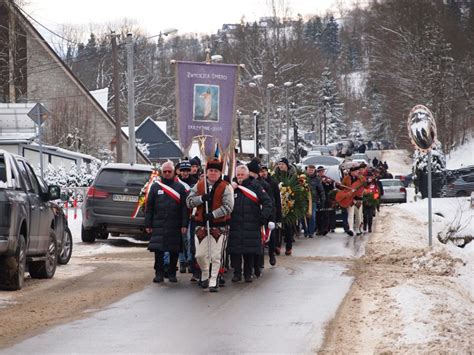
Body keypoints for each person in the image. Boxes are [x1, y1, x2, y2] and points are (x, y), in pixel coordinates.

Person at [186, 158, 234, 292]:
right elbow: (188, 201)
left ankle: (214, 280)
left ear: (220, 173)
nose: (213, 173)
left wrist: (213, 214)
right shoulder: (200, 185)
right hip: (201, 225)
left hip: (219, 226)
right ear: (207, 172)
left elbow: (228, 207)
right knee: (200, 255)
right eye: (211, 170)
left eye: (216, 171)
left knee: (216, 255)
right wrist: (201, 199)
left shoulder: (225, 186)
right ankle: (205, 272)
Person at [145, 161, 189, 284]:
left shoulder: (180, 188)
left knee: (174, 249)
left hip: (175, 224)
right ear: (162, 173)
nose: (167, 173)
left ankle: (172, 273)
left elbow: (184, 209)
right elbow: (150, 207)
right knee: (158, 250)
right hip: (158, 223)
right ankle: (158, 273)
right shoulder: (155, 187)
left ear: (174, 172)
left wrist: (184, 224)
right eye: (165, 171)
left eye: (170, 171)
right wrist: (148, 224)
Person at [228, 165, 272, 282]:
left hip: (252, 224)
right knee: (236, 250)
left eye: (242, 175)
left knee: (249, 251)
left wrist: (262, 218)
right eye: (238, 175)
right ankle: (237, 273)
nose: (240, 177)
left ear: (247, 175)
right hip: (235, 224)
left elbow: (267, 202)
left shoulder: (255, 186)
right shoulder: (231, 187)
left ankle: (248, 273)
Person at [247, 158, 274, 276]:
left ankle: (259, 265)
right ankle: (252, 267)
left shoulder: (265, 185)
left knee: (260, 243)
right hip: (249, 218)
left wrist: (272, 219)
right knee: (252, 244)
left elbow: (272, 202)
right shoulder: (245, 183)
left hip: (262, 217)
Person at [176, 159, 198, 275]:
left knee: (190, 239)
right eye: (183, 171)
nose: (185, 173)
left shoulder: (195, 183)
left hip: (191, 214)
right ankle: (182, 261)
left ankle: (190, 260)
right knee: (181, 239)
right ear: (179, 171)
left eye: (187, 171)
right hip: (179, 215)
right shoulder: (177, 183)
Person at [259, 164, 282, 266]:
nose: (263, 173)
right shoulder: (256, 183)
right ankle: (261, 260)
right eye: (261, 171)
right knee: (261, 236)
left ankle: (271, 255)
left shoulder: (273, 183)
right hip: (260, 212)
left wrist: (278, 216)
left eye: (264, 171)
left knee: (271, 236)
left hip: (271, 212)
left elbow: (277, 200)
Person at [274, 157, 297, 255]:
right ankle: (277, 245)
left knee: (288, 227)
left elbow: (297, 188)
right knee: (278, 226)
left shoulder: (292, 175)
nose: (280, 166)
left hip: (289, 204)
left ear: (286, 165)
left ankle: (288, 247)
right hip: (278, 204)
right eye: (279, 164)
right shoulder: (275, 176)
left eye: (282, 164)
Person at [341, 165, 366, 236]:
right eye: (355, 171)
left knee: (358, 215)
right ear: (351, 172)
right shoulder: (346, 178)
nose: (357, 172)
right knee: (350, 214)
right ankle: (351, 229)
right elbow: (342, 187)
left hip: (358, 199)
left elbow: (364, 186)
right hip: (350, 199)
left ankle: (358, 229)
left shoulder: (361, 178)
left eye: (357, 171)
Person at [306, 164, 325, 237]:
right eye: (309, 170)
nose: (310, 171)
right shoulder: (303, 177)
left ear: (314, 171)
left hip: (313, 200)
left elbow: (321, 190)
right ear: (307, 170)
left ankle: (311, 232)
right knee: (303, 217)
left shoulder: (317, 179)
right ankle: (306, 230)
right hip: (303, 200)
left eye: (312, 170)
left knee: (312, 216)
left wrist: (322, 199)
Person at [317, 166, 335, 235]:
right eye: (320, 171)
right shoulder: (316, 179)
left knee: (326, 214)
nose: (321, 173)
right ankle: (319, 229)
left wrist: (330, 183)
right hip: (319, 198)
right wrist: (321, 182)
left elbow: (331, 188)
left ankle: (325, 229)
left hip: (326, 198)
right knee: (319, 215)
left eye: (322, 171)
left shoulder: (327, 178)